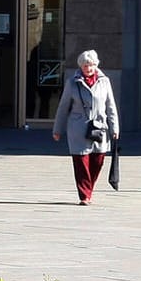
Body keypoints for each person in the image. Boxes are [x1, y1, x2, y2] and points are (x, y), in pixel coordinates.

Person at [52, 49, 119, 205]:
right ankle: (85, 195)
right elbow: (63, 108)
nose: (88, 68)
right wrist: (57, 130)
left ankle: (89, 188)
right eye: (85, 66)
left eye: (91, 65)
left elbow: (111, 106)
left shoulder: (104, 81)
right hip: (78, 128)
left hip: (99, 127)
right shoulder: (72, 83)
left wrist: (114, 128)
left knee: (98, 160)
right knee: (81, 162)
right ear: (80, 66)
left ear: (96, 65)